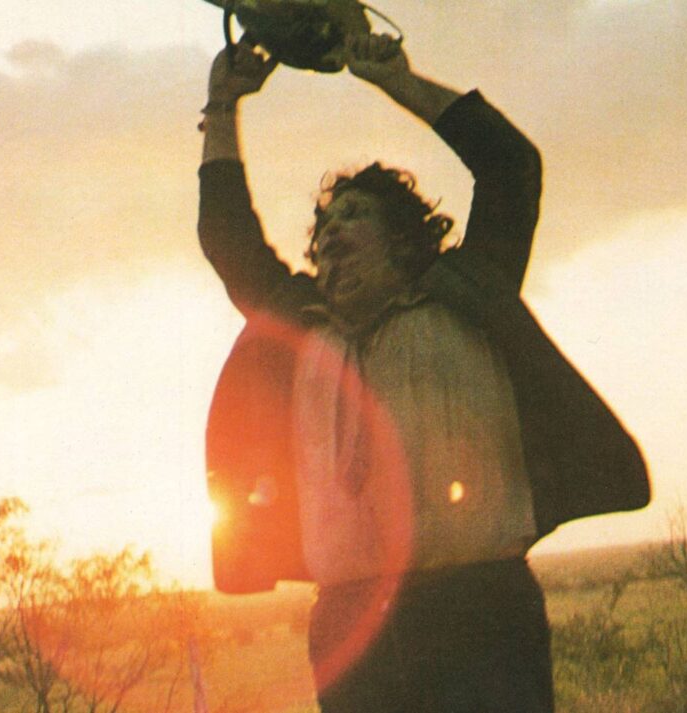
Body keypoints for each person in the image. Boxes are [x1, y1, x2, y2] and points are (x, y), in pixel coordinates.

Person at [198, 34, 649, 713]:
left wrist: (397, 81)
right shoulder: (301, 324)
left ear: (406, 238)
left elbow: (509, 165)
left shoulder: (469, 289)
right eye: (325, 227)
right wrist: (222, 104)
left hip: (481, 610)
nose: (332, 233)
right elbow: (227, 236)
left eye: (356, 214)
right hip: (353, 624)